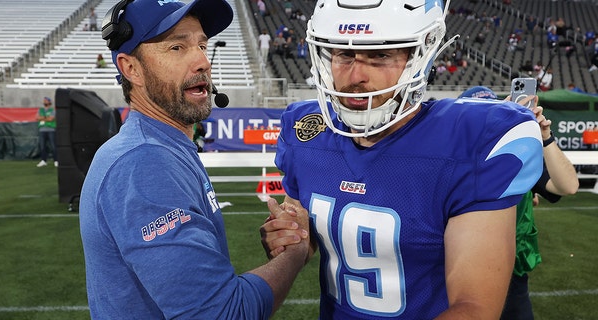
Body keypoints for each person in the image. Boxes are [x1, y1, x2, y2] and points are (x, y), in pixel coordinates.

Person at [259, 0, 544, 318]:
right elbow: (304, 232)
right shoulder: (308, 131)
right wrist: (293, 238)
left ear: (422, 54)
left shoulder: (470, 140)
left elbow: (474, 308)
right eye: (343, 53)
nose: (357, 75)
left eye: (380, 55)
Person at [79, 0, 309, 319]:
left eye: (202, 44)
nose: (202, 60)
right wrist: (295, 253)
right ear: (130, 68)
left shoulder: (162, 145)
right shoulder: (144, 162)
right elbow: (223, 314)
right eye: (177, 47)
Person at [459, 86, 579, 320]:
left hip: (511, 274)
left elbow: (568, 186)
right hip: (459, 269)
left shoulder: (515, 157)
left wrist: (545, 136)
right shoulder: (449, 158)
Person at [36, 97, 57, 167]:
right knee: (42, 146)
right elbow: (37, 118)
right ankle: (43, 160)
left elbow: (51, 119)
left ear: (49, 102)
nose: (44, 101)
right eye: (44, 100)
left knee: (53, 146)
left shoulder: (52, 110)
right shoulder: (40, 110)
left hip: (51, 130)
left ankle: (56, 160)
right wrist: (46, 117)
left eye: (46, 100)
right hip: (42, 130)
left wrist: (42, 118)